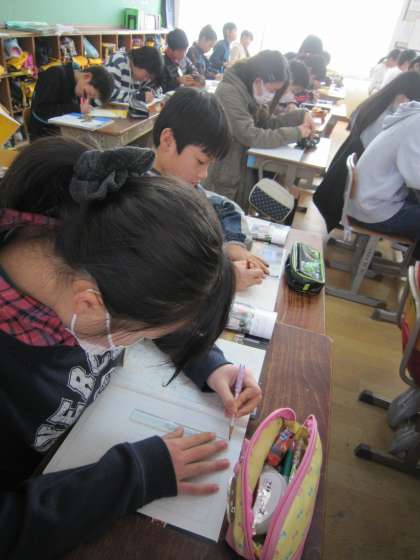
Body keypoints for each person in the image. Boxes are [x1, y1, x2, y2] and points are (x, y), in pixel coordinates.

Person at [0, 137, 262, 559]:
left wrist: (208, 363)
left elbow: (147, 309)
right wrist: (134, 475)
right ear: (90, 303)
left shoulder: (75, 253)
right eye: (139, 336)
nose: (142, 341)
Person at [152, 87, 268, 290]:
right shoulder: (136, 198)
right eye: (200, 161)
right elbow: (161, 271)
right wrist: (225, 280)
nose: (204, 174)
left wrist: (233, 245)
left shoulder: (181, 186)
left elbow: (226, 207)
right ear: (168, 140)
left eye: (208, 165)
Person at [204, 50, 313, 207]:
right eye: (273, 90)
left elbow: (267, 124)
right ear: (258, 81)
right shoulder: (229, 92)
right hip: (225, 174)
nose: (272, 95)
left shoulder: (250, 92)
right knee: (223, 213)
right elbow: (250, 135)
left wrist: (300, 116)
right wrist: (297, 132)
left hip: (240, 169)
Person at [313, 71, 420, 231]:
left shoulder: (377, 107)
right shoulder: (407, 120)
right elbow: (415, 178)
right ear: (403, 97)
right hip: (367, 202)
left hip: (353, 193)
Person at [346, 100, 420, 241]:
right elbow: (416, 178)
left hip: (366, 200)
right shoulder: (417, 124)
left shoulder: (412, 116)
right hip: (373, 208)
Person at [28, 64, 114, 140]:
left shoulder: (77, 86)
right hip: (44, 137)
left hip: (65, 135)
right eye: (88, 94)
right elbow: (40, 111)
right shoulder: (54, 75)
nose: (87, 98)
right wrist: (77, 108)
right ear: (87, 77)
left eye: (91, 97)